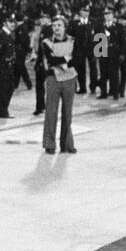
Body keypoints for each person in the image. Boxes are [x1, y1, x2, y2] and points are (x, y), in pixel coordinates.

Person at [40, 16, 78, 154]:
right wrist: (66, 59)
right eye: (54, 25)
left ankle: (67, 144)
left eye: (59, 25)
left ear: (64, 27)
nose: (56, 27)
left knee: (68, 113)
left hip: (70, 79)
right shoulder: (46, 42)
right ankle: (49, 144)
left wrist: (61, 61)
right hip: (53, 79)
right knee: (51, 112)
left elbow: (77, 58)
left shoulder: (73, 40)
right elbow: (51, 60)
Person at [0, 13, 18, 119]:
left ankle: (3, 110)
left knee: (9, 88)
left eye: (13, 22)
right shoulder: (1, 34)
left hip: (9, 66)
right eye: (10, 22)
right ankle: (1, 111)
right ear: (5, 23)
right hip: (3, 67)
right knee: (3, 89)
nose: (13, 24)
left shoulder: (9, 34)